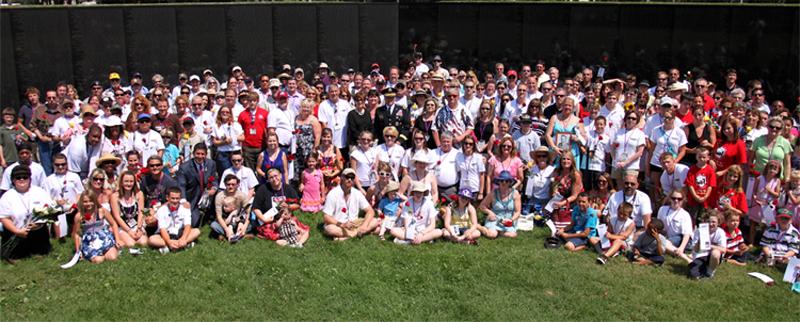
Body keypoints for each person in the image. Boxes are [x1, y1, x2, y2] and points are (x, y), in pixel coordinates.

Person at [0, 166, 54, 263]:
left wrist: (38, 224)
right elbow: (4, 218)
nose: (21, 179)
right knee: (15, 257)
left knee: (40, 254)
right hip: (16, 231)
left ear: (30, 179)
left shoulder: (40, 192)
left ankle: (39, 251)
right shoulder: (7, 196)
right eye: (18, 177)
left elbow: (49, 211)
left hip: (37, 230)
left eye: (25, 177)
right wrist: (17, 231)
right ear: (13, 180)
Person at [322, 169, 379, 241]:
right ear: (342, 177)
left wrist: (364, 225)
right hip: (338, 224)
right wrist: (342, 224)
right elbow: (326, 217)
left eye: (352, 178)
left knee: (376, 221)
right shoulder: (333, 194)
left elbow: (370, 211)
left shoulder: (357, 193)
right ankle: (358, 233)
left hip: (355, 222)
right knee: (329, 229)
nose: (349, 180)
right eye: (347, 177)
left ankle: (349, 235)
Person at [71, 189, 121, 264]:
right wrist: (78, 251)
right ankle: (96, 255)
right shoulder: (79, 216)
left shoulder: (101, 211)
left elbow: (113, 224)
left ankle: (109, 250)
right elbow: (76, 234)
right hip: (90, 242)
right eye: (85, 201)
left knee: (112, 257)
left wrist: (117, 239)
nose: (88, 204)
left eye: (91, 201)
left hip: (104, 238)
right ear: (82, 202)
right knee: (98, 260)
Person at [147, 187, 200, 254]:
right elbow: (162, 229)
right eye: (172, 198)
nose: (175, 201)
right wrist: (169, 242)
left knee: (196, 231)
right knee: (152, 240)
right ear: (167, 198)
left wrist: (183, 238)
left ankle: (169, 247)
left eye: (177, 198)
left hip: (179, 233)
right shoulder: (161, 210)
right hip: (165, 234)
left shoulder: (185, 208)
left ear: (180, 198)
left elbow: (187, 225)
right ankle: (183, 245)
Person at [176, 143, 218, 227]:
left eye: (202, 154)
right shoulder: (184, 167)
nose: (200, 156)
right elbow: (181, 185)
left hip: (207, 194)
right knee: (194, 223)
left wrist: (214, 187)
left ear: (206, 154)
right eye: (198, 154)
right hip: (192, 196)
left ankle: (212, 217)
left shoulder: (211, 164)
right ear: (193, 154)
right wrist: (184, 200)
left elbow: (214, 178)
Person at [646, 110, 687, 192]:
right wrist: (648, 165)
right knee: (655, 187)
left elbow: (683, 150)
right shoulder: (656, 130)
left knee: (668, 187)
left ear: (673, 119)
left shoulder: (679, 132)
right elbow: (651, 149)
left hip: (671, 163)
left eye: (668, 118)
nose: (665, 120)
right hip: (656, 162)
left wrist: (675, 161)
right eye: (664, 117)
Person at [478, 170, 522, 239]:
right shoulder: (493, 193)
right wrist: (490, 212)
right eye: (501, 181)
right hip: (495, 218)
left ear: (510, 182)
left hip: (508, 220)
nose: (504, 183)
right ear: (498, 182)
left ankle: (498, 232)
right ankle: (479, 227)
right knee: (491, 235)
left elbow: (518, 211)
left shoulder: (515, 193)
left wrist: (511, 220)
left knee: (512, 235)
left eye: (506, 181)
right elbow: (482, 206)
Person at [610, 110, 646, 189]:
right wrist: (615, 160)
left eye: (633, 119)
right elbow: (612, 147)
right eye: (629, 118)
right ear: (625, 119)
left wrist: (626, 162)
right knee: (619, 187)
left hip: (631, 166)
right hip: (618, 165)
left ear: (637, 121)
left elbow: (640, 152)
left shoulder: (640, 134)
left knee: (629, 188)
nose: (630, 120)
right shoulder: (619, 132)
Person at [110, 171, 147, 247]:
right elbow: (117, 217)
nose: (129, 184)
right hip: (123, 227)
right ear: (121, 182)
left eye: (131, 181)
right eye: (126, 181)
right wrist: (129, 231)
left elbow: (141, 212)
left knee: (144, 242)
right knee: (131, 244)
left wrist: (139, 228)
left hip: (137, 225)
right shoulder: (115, 196)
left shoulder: (139, 194)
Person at [749, 116, 793, 181]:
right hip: (757, 177)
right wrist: (751, 173)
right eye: (772, 126)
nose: (774, 129)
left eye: (778, 128)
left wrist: (787, 179)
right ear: (767, 126)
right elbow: (751, 159)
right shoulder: (758, 140)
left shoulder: (785, 143)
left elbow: (787, 164)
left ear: (781, 129)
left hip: (776, 179)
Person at [688, 210, 727, 279]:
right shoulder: (699, 230)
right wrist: (700, 241)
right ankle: (700, 267)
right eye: (708, 221)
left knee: (715, 253)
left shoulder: (720, 232)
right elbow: (695, 250)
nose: (710, 224)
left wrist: (709, 246)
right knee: (693, 275)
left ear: (718, 223)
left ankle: (710, 272)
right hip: (701, 255)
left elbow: (723, 249)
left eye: (713, 222)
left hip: (713, 256)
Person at [211, 175, 250, 242]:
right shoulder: (219, 196)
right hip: (225, 221)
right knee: (214, 225)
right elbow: (219, 216)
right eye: (228, 184)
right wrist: (226, 229)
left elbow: (248, 212)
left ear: (238, 184)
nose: (230, 186)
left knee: (252, 223)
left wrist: (244, 226)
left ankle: (237, 233)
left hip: (239, 221)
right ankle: (233, 234)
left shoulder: (242, 195)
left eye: (233, 184)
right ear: (225, 184)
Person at [237, 91, 268, 171]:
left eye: (254, 101)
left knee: (261, 169)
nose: (252, 103)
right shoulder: (242, 114)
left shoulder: (264, 113)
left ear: (257, 101)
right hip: (247, 147)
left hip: (261, 146)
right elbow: (239, 131)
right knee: (249, 171)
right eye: (250, 101)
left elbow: (267, 129)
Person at [685, 146, 716, 224]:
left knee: (704, 219)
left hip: (706, 201)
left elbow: (710, 186)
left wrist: (705, 197)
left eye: (704, 157)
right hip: (693, 200)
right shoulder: (692, 169)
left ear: (708, 158)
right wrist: (696, 196)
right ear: (696, 157)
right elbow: (690, 185)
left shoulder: (710, 170)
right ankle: (691, 234)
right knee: (692, 218)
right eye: (699, 157)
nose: (702, 159)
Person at [656, 191, 693, 257]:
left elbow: (687, 234)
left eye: (679, 199)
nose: (676, 200)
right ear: (670, 199)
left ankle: (679, 253)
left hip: (680, 238)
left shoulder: (685, 214)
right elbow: (658, 225)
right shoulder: (662, 209)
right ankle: (677, 252)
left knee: (664, 243)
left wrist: (681, 248)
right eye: (674, 198)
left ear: (683, 200)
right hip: (666, 236)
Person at [294, 98, 322, 181]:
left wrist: (314, 150)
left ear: (311, 109)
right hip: (297, 150)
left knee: (307, 171)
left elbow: (317, 136)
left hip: (308, 150)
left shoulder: (313, 120)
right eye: (304, 107)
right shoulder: (296, 118)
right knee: (297, 171)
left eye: (308, 107)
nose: (305, 109)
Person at [211, 105, 244, 174]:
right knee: (225, 174)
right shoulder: (216, 126)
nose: (225, 113)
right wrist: (224, 142)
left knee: (237, 173)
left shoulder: (236, 124)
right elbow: (214, 142)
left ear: (230, 114)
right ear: (219, 113)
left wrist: (233, 138)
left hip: (235, 152)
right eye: (223, 112)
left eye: (227, 112)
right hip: (223, 153)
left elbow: (243, 138)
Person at [432, 132, 460, 197]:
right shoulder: (433, 152)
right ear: (440, 142)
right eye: (444, 141)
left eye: (448, 141)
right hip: (435, 188)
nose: (446, 143)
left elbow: (460, 172)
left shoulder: (457, 154)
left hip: (451, 189)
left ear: (452, 142)